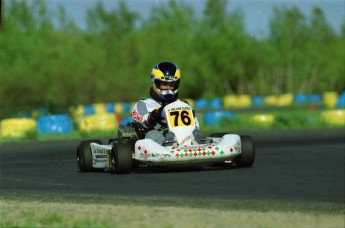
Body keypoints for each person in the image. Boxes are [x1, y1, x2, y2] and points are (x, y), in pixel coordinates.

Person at [131, 61, 203, 145]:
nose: (168, 88)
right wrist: (151, 118)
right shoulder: (144, 104)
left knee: (196, 132)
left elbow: (195, 126)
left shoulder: (182, 104)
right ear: (155, 83)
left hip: (183, 136)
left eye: (172, 84)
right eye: (165, 84)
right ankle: (168, 144)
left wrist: (192, 115)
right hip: (156, 137)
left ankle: (199, 144)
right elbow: (140, 119)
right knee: (155, 135)